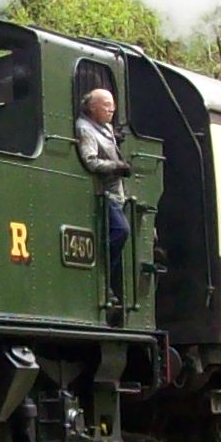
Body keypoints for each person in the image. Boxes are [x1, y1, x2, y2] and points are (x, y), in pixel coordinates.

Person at [74, 85, 132, 312]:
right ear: (91, 107)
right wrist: (117, 166)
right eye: (106, 105)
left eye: (112, 105)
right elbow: (90, 161)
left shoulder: (105, 126)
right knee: (121, 231)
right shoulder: (85, 129)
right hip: (104, 193)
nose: (112, 109)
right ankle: (102, 278)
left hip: (117, 194)